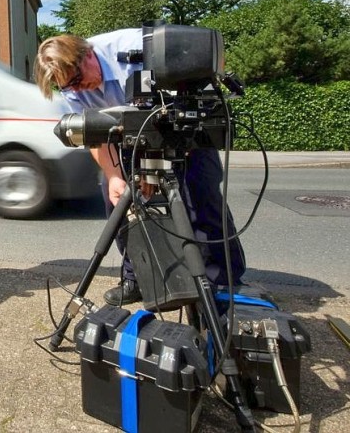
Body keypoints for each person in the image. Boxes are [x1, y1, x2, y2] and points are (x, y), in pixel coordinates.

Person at [34, 29, 246, 306]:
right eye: (67, 88)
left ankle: (222, 281)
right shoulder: (73, 87)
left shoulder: (139, 46)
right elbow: (97, 137)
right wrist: (114, 177)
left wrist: (153, 163)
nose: (76, 90)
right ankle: (137, 277)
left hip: (186, 127)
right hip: (129, 135)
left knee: (201, 196)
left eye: (76, 80)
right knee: (118, 201)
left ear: (86, 55)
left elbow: (200, 67)